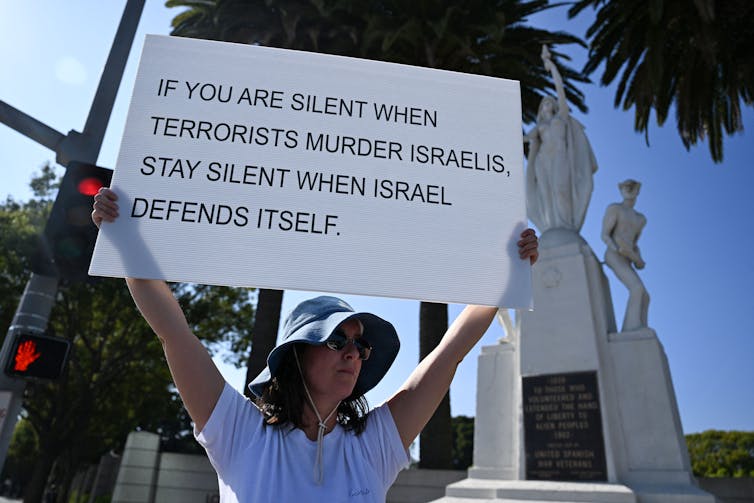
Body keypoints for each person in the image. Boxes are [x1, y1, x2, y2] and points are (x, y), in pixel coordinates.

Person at [91, 187, 538, 502]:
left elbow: (448, 355)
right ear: (296, 355)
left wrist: (507, 275)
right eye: (336, 339)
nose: (352, 352)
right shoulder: (240, 433)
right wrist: (124, 239)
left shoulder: (375, 446)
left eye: (360, 347)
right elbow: (174, 333)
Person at [525, 45, 598, 233]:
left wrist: (552, 67)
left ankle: (567, 227)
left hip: (560, 156)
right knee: (546, 195)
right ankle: (551, 229)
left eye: (550, 101)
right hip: (543, 160)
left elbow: (560, 88)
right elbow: (525, 139)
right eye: (544, 102)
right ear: (541, 109)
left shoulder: (562, 118)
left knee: (561, 191)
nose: (548, 103)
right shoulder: (539, 127)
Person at [601, 179, 650, 332]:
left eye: (632, 187)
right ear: (621, 190)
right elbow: (604, 235)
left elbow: (634, 244)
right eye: (625, 186)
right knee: (637, 289)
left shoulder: (640, 219)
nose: (628, 189)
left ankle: (639, 326)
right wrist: (616, 248)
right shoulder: (615, 209)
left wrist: (638, 259)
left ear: (638, 191)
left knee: (645, 296)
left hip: (628, 256)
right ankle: (632, 329)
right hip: (614, 254)